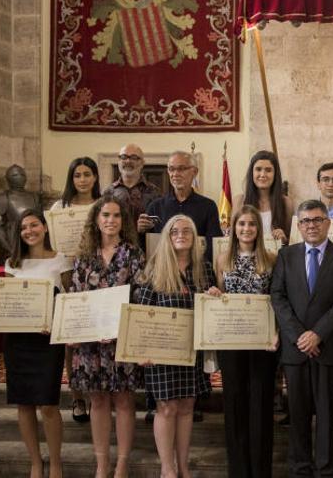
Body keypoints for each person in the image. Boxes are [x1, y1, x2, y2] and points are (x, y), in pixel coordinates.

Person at [271, 200, 333, 476]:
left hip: (328, 346)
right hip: (296, 347)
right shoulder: (286, 255)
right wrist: (300, 335)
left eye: (317, 219)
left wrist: (318, 333)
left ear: (328, 223)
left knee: (325, 411)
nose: (312, 225)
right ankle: (299, 465)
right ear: (298, 226)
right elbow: (278, 297)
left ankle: (325, 467)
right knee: (297, 411)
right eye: (306, 221)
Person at [68, 194, 145, 477]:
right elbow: (75, 297)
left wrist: (116, 329)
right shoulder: (84, 256)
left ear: (123, 221)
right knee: (97, 400)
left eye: (116, 216)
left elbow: (138, 298)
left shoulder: (133, 254)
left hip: (121, 339)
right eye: (105, 216)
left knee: (124, 399)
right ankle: (102, 463)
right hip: (90, 344)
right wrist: (76, 330)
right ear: (96, 220)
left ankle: (122, 462)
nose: (110, 220)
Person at [137, 215, 215, 478]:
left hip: (192, 352)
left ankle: (183, 465)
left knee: (186, 407)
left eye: (186, 231)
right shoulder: (155, 269)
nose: (180, 235)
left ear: (195, 238)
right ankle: (167, 468)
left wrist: (216, 298)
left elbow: (211, 314)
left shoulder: (204, 270)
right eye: (174, 231)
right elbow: (141, 313)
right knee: (167, 407)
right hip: (160, 354)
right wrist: (142, 350)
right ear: (167, 238)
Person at [210, 204, 278, 478]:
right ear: (233, 228)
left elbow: (278, 302)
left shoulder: (272, 259)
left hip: (263, 344)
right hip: (231, 343)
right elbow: (221, 294)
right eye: (241, 224)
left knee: (260, 405)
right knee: (235, 404)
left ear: (258, 229)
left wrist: (277, 334)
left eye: (251, 224)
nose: (246, 229)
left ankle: (261, 471)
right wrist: (214, 294)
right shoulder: (222, 260)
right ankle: (238, 470)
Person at [4, 210, 73, 478]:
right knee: (24, 404)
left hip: (47, 340)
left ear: (45, 228)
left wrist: (58, 324)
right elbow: (6, 303)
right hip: (18, 341)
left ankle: (55, 462)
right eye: (24, 227)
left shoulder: (61, 260)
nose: (29, 230)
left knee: (48, 404)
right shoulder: (13, 263)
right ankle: (35, 462)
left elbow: (68, 299)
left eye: (34, 225)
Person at [50, 156, 101, 423]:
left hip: (98, 277)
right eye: (77, 175)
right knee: (71, 342)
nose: (82, 179)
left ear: (95, 177)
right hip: (68, 274)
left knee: (94, 341)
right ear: (71, 179)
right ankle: (77, 397)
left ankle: (95, 397)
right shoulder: (60, 207)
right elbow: (54, 248)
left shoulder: (102, 205)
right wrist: (68, 282)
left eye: (87, 174)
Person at [144, 151, 222, 259]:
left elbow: (213, 245)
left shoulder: (208, 206)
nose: (175, 174)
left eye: (181, 169)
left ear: (194, 172)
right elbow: (147, 246)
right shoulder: (155, 207)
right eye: (171, 169)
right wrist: (141, 231)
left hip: (197, 270)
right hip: (164, 270)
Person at [233, 150, 294, 244]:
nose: (263, 175)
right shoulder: (239, 201)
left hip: (277, 257)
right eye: (258, 169)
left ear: (275, 174)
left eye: (268, 170)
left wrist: (284, 239)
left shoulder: (286, 202)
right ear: (251, 173)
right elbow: (232, 237)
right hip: (247, 256)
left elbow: (293, 241)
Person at [104, 143, 161, 235]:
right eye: (124, 157)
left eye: (134, 157)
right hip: (116, 248)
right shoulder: (108, 192)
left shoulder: (154, 192)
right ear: (118, 161)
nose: (128, 161)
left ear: (142, 163)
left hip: (146, 248)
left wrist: (152, 226)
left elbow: (163, 226)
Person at [0, 164, 42, 261]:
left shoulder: (34, 197)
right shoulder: (2, 198)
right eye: (15, 175)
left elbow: (40, 222)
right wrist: (10, 248)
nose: (19, 177)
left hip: (34, 243)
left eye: (22, 175)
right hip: (12, 241)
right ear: (8, 178)